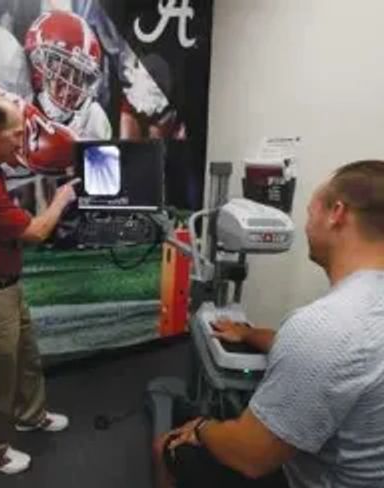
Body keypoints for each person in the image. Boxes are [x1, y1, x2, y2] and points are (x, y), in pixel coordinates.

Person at [153, 160, 384, 488]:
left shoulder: (326, 326)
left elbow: (252, 456)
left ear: (337, 213)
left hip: (306, 479)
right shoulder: (357, 315)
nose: (306, 225)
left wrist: (203, 427)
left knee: (167, 444)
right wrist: (249, 334)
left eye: (310, 211)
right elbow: (346, 362)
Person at [0, 95, 78, 475]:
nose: (21, 144)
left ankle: (31, 416)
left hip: (5, 287)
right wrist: (61, 199)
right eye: (16, 136)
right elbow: (35, 231)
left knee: (27, 360)